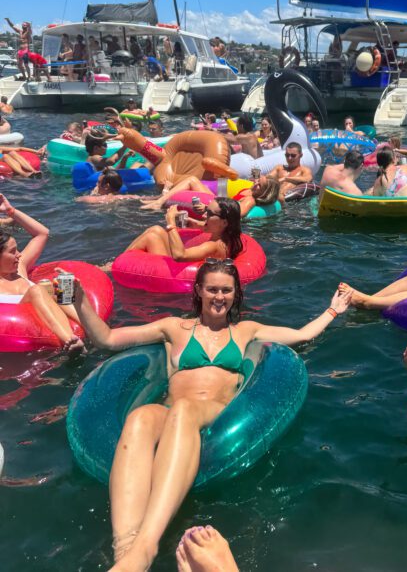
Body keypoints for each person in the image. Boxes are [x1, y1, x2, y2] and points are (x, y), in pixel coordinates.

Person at [72, 259, 351, 571]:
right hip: (171, 410)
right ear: (199, 291)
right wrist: (79, 302)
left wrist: (332, 311)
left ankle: (146, 547)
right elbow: (107, 339)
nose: (220, 296)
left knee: (185, 409)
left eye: (226, 290)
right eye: (213, 289)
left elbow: (300, 335)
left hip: (213, 414)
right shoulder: (172, 328)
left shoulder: (246, 331)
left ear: (235, 294)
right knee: (139, 418)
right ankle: (125, 552)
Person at [0, 193, 84, 353]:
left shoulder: (19, 268)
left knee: (63, 281)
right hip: (27, 338)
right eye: (12, 251)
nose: (19, 254)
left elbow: (42, 234)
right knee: (37, 290)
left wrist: (11, 211)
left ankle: (89, 325)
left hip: (55, 320)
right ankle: (69, 340)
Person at [128, 197, 243, 263]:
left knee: (151, 236)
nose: (204, 216)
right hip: (182, 266)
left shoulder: (213, 246)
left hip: (174, 275)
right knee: (156, 230)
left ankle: (117, 265)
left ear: (224, 222)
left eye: (209, 213)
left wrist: (171, 223)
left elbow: (179, 256)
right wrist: (197, 225)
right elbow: (208, 225)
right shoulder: (228, 236)